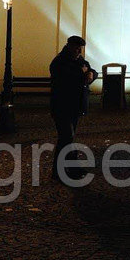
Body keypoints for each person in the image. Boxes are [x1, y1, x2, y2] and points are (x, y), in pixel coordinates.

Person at [49, 35, 93, 182]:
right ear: (69, 46)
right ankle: (64, 170)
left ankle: (65, 170)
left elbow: (89, 69)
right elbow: (67, 78)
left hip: (74, 105)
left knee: (67, 138)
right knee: (67, 137)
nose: (79, 50)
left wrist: (91, 73)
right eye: (77, 47)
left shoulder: (78, 60)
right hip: (62, 105)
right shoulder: (59, 62)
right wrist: (83, 72)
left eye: (80, 48)